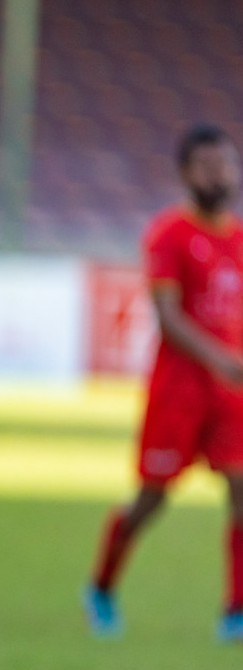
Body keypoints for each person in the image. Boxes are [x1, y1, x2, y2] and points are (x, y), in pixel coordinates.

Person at [84, 124, 243, 640]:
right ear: (185, 173)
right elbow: (168, 316)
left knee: (242, 488)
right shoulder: (168, 234)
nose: (219, 175)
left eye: (225, 164)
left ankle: (236, 610)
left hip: (229, 394)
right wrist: (221, 359)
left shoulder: (239, 239)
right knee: (152, 497)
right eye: (207, 165)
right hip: (179, 391)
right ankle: (102, 585)